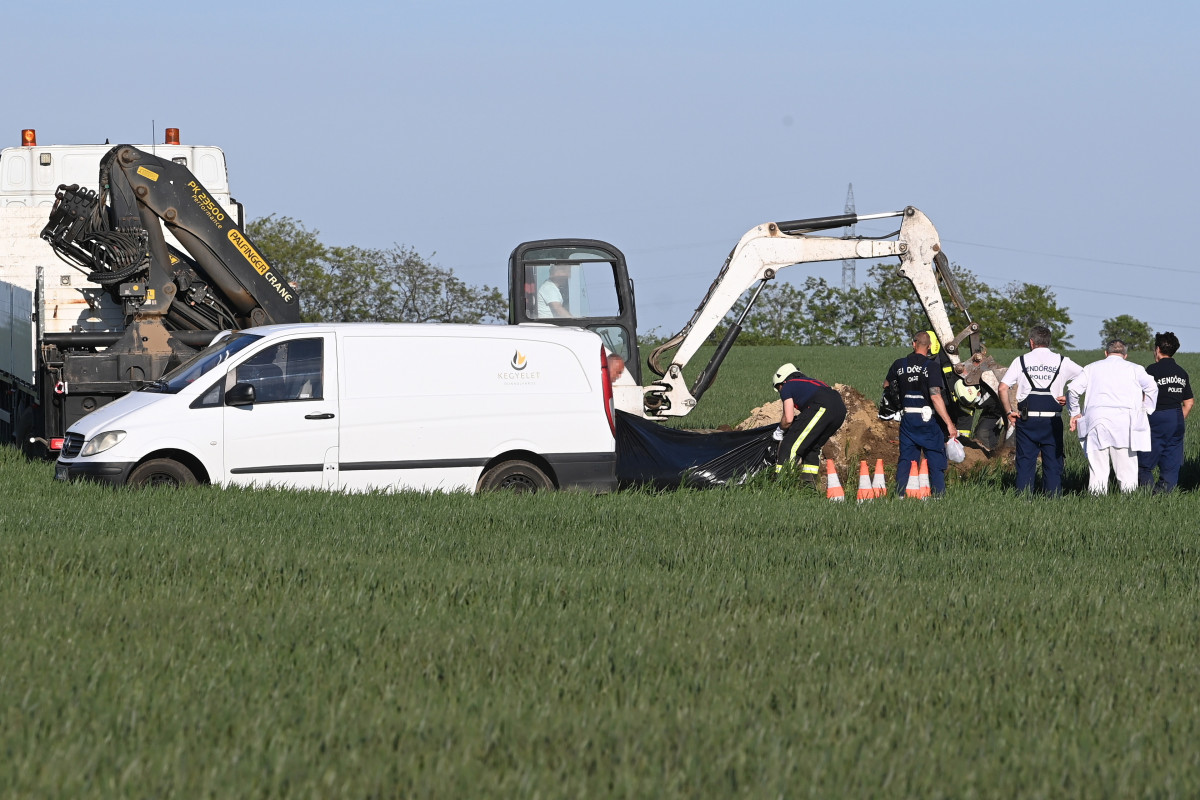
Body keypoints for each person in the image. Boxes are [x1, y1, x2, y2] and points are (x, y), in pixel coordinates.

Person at [998, 324, 1083, 495]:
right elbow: (1086, 377)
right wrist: (1069, 395)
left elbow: (1002, 388)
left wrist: (1008, 413)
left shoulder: (1021, 360)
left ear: (1031, 342)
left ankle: (1023, 498)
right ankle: (1053, 498)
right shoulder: (1062, 361)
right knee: (1053, 462)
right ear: (1049, 342)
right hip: (1052, 420)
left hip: (1026, 420)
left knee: (1025, 461)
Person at [1066, 339, 1157, 495]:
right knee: (1126, 468)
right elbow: (1152, 387)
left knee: (1097, 468)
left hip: (1096, 420)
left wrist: (1075, 413)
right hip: (1125, 422)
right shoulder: (1136, 369)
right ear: (1125, 355)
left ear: (1106, 353)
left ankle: (1096, 501)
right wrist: (1146, 409)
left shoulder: (1091, 368)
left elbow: (1072, 390)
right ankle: (1130, 501)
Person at [883, 331, 959, 496]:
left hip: (908, 418)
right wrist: (949, 423)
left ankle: (900, 495)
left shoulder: (899, 364)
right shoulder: (931, 367)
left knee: (906, 459)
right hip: (927, 419)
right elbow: (935, 396)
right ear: (930, 346)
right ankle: (939, 496)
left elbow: (887, 385)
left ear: (913, 343)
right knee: (935, 457)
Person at [771, 363, 847, 488]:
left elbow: (788, 418)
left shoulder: (787, 386)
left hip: (821, 406)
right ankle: (809, 488)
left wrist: (779, 431)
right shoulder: (811, 382)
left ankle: (782, 486)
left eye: (778, 388)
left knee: (790, 444)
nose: (780, 391)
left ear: (782, 381)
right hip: (839, 410)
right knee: (812, 446)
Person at [1138, 331, 1193, 492]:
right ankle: (1163, 496)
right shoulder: (1182, 372)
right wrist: (1177, 418)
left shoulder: (1152, 370)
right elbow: (1189, 403)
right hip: (1176, 418)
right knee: (1171, 463)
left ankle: (1146, 496)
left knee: (1144, 463)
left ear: (1157, 349)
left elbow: (1142, 398)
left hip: (1156, 417)